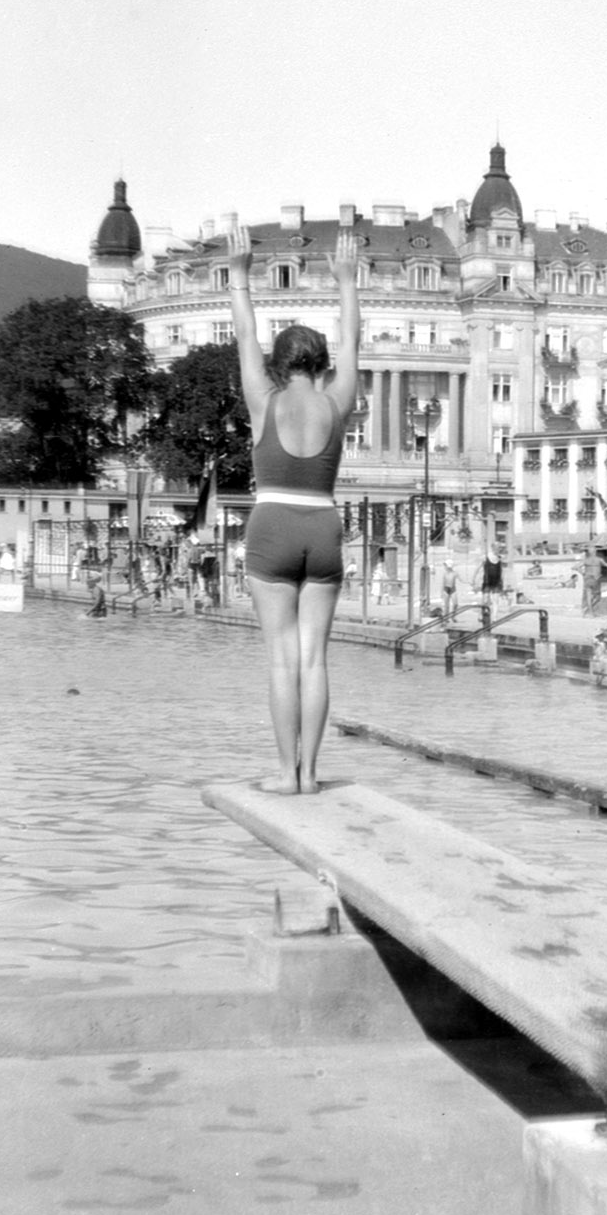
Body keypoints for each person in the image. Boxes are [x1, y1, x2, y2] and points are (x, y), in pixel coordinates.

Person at [227, 222, 359, 795]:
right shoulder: (337, 400)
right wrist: (347, 281)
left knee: (281, 661)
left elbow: (243, 334)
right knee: (315, 660)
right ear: (322, 364)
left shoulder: (264, 399)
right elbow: (355, 342)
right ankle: (312, 772)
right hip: (323, 524)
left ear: (280, 366)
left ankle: (286, 775)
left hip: (273, 522)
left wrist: (238, 275)